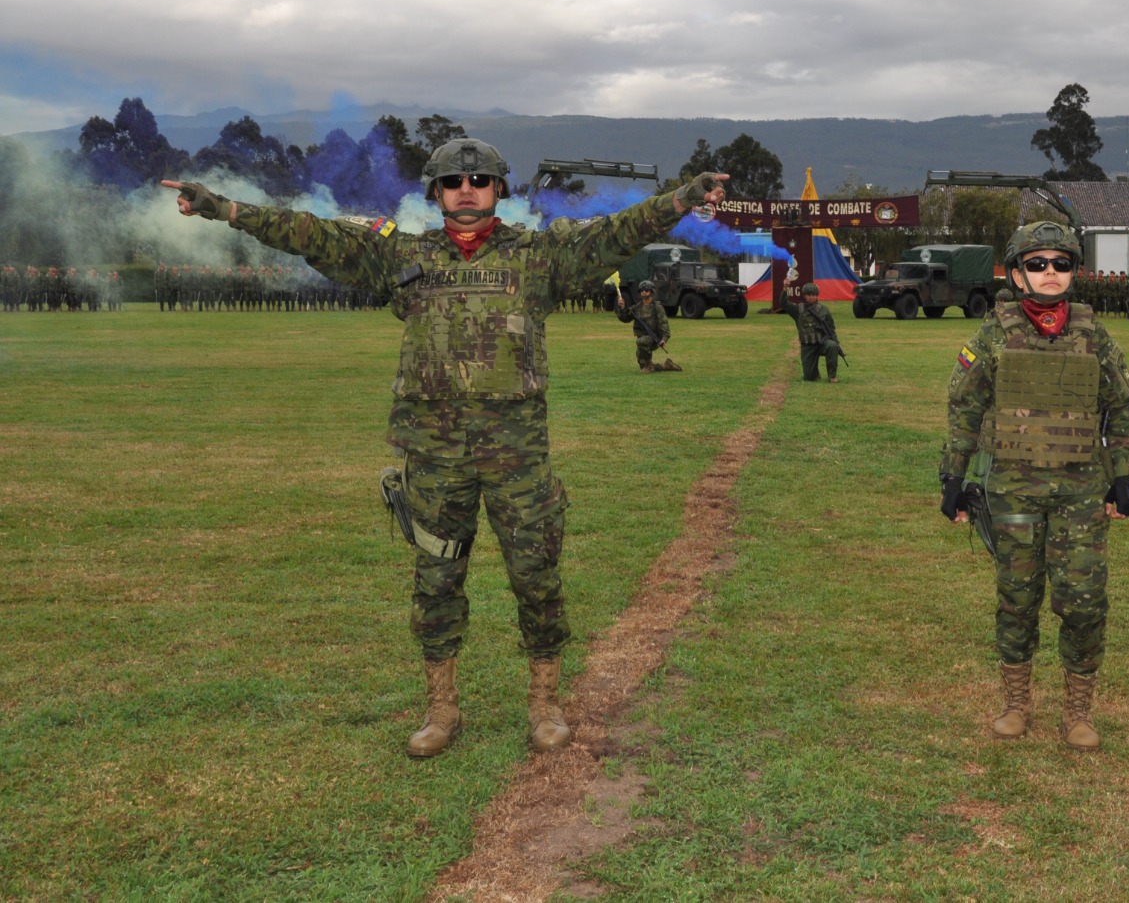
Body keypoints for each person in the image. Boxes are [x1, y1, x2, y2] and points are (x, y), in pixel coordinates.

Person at [164, 139, 726, 759]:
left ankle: (544, 706)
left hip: (518, 457)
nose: (467, 188)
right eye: (454, 179)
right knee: (436, 581)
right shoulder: (400, 255)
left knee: (537, 579)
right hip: (433, 457)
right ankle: (441, 710)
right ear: (435, 191)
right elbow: (309, 234)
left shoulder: (540, 257)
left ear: (499, 191)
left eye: (480, 179)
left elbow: (622, 230)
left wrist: (685, 196)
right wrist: (221, 207)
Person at [939, 220, 1129, 751]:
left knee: (1082, 601)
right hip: (1012, 489)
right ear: (1017, 273)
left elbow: (1119, 408)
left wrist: (1123, 476)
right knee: (1017, 597)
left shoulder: (1093, 334)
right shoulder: (993, 334)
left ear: (1075, 271)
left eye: (1061, 264)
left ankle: (1078, 712)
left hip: (1079, 491)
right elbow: (965, 408)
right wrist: (953, 478)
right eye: (1037, 264)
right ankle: (1016, 705)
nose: (1050, 274)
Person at [779, 281, 843, 382]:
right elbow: (784, 304)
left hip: (822, 343)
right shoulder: (798, 310)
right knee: (809, 378)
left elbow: (831, 329)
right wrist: (785, 288)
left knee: (832, 346)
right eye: (809, 295)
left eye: (814, 295)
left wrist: (837, 343)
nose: (811, 297)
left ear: (817, 295)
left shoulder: (824, 310)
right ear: (804, 295)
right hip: (808, 346)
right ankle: (815, 374)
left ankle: (832, 376)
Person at [617, 280, 679, 371]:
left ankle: (649, 365)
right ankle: (666, 365)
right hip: (642, 338)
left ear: (651, 292)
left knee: (641, 342)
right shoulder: (637, 307)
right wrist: (622, 307)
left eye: (646, 290)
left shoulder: (657, 307)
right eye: (642, 290)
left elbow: (664, 324)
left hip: (654, 338)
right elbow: (626, 318)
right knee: (643, 366)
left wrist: (664, 339)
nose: (644, 292)